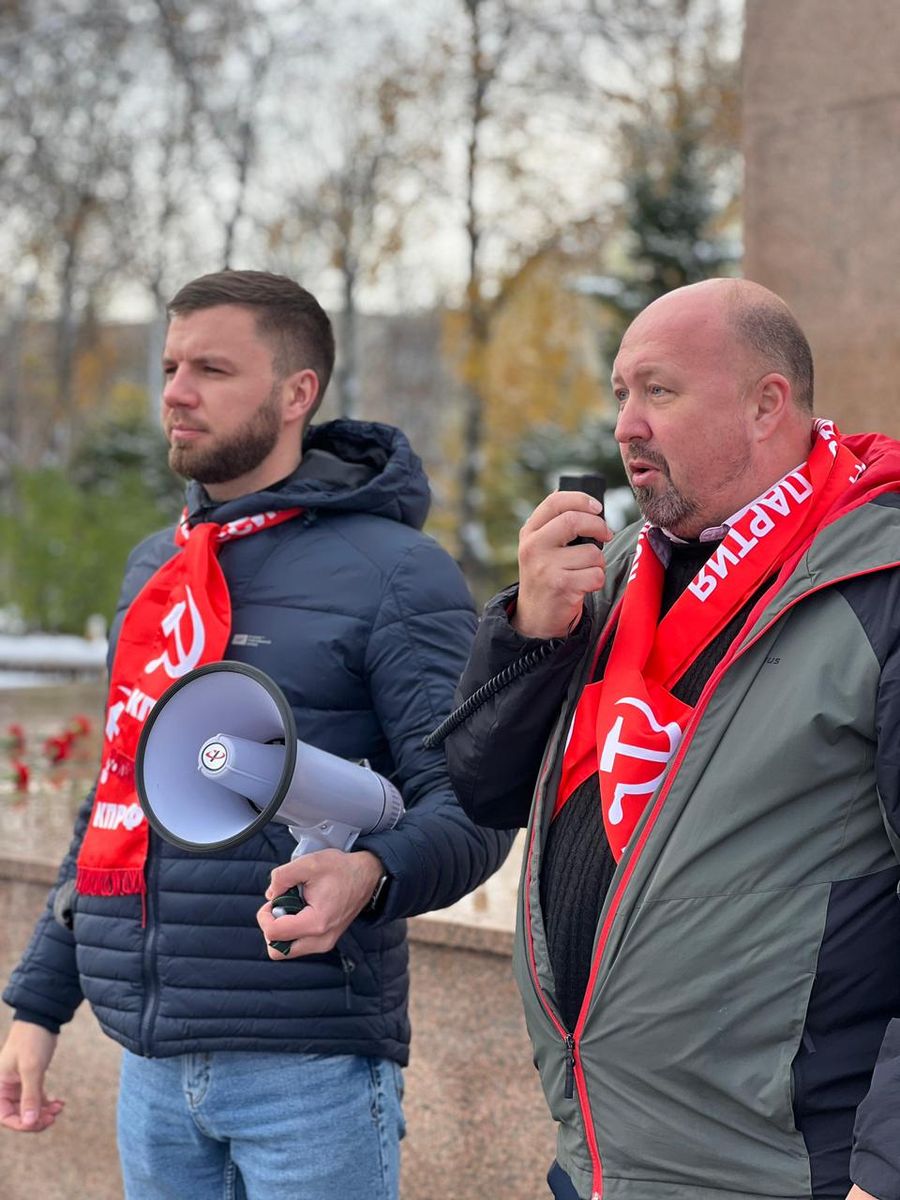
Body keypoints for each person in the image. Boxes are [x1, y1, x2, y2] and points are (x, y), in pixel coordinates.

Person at [0, 269, 513, 1200]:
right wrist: (38, 1003)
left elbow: (475, 804)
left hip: (308, 1072)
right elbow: (118, 797)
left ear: (296, 392)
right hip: (149, 1071)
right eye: (170, 367)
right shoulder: (156, 568)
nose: (176, 393)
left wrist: (370, 874)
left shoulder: (397, 573)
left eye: (212, 369)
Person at [444, 277, 900, 1200]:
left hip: (790, 1171)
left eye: (659, 390)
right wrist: (528, 635)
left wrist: (887, 1169)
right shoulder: (613, 574)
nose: (626, 426)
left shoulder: (877, 581)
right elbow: (486, 791)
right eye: (621, 394)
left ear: (766, 404)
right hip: (601, 1156)